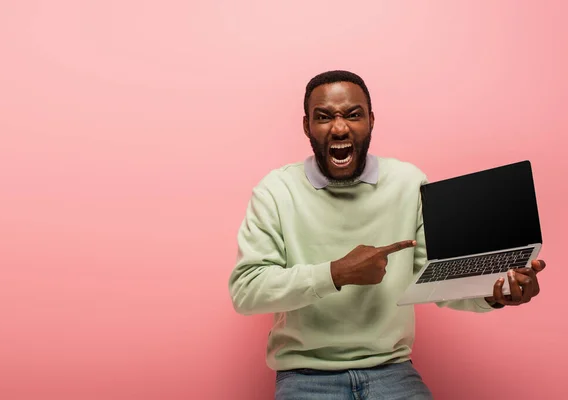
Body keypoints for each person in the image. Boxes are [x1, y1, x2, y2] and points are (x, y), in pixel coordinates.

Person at [228, 70, 545, 400]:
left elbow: (432, 278)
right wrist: (335, 273)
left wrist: (495, 294)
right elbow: (246, 290)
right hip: (307, 373)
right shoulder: (275, 192)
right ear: (307, 125)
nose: (339, 127)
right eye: (324, 117)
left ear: (371, 121)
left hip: (391, 369)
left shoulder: (409, 183)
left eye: (353, 115)